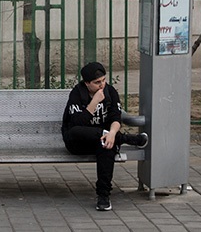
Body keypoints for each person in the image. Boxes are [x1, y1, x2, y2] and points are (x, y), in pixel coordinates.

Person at [61, 61, 148, 212]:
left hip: (102, 140)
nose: (101, 85)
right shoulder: (77, 94)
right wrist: (94, 102)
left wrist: (112, 133)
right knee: (76, 131)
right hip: (78, 142)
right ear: (87, 83)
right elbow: (76, 123)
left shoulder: (110, 92)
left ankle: (103, 196)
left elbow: (116, 117)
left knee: (107, 146)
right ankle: (126, 138)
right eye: (96, 83)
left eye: (103, 80)